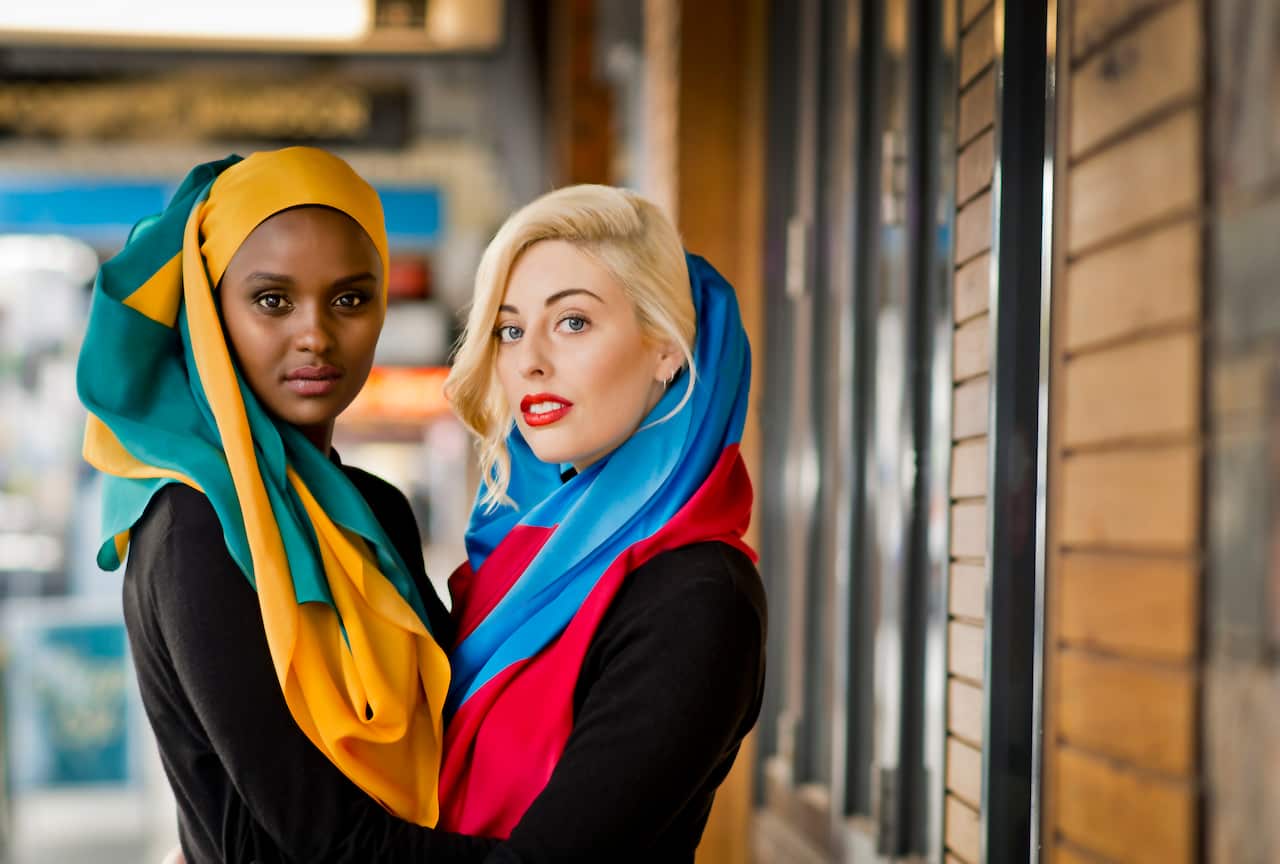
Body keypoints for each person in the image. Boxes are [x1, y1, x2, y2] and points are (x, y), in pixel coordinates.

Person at [77, 147, 496, 862]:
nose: (315, 335)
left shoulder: (378, 511)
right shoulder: (196, 524)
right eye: (272, 300)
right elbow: (324, 839)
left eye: (350, 299)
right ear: (210, 312)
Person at [438, 183, 767, 861]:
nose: (529, 360)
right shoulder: (512, 564)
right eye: (509, 330)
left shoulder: (700, 597)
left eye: (572, 322)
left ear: (665, 348)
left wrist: (316, 843)